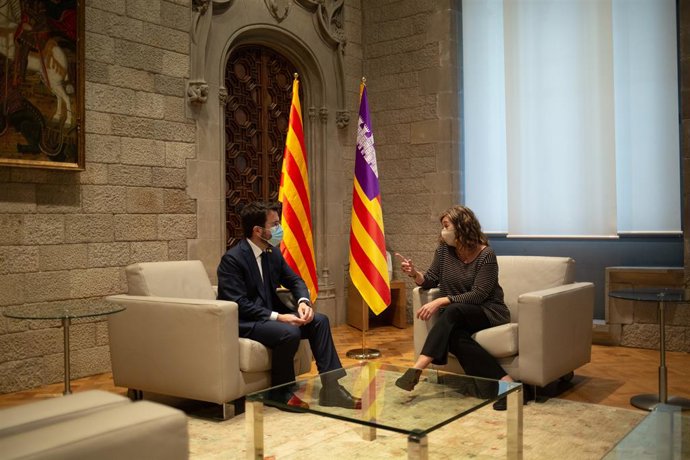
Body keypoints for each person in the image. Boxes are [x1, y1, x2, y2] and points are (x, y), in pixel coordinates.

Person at [217, 201, 360, 410]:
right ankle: (280, 392)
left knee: (319, 320)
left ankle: (331, 388)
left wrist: (303, 302)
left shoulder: (273, 253)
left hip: (270, 316)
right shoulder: (232, 260)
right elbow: (239, 303)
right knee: (288, 332)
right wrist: (279, 317)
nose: (279, 229)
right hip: (247, 321)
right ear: (258, 230)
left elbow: (295, 281)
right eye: (274, 225)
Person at [394, 205, 525, 411]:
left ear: (462, 226)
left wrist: (442, 300)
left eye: (446, 225)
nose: (443, 231)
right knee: (454, 338)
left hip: (488, 311)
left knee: (451, 310)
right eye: (442, 226)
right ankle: (509, 384)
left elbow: (479, 294)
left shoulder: (486, 254)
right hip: (459, 315)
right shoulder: (444, 252)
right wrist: (414, 273)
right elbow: (430, 279)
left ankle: (418, 367)